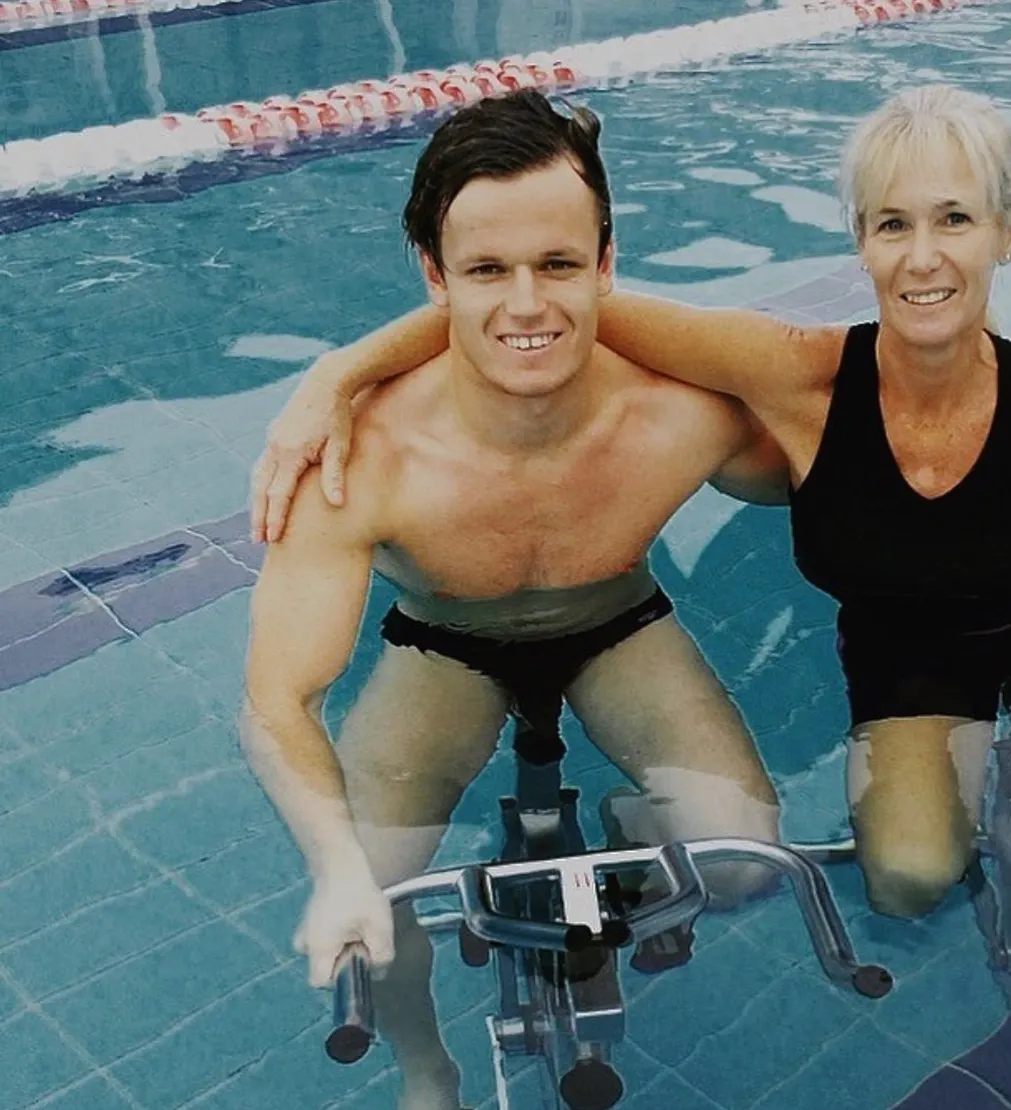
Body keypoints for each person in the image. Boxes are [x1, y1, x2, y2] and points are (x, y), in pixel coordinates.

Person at [255, 84, 1011, 916]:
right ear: (860, 241)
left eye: (953, 219)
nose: (925, 255)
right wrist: (339, 372)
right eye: (893, 224)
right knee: (902, 883)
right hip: (912, 663)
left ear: (1009, 231)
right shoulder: (793, 379)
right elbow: (536, 304)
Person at [238, 91, 791, 1110]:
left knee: (745, 855)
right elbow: (277, 702)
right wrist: (335, 871)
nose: (527, 306)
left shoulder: (683, 414)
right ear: (434, 276)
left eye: (558, 265)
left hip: (619, 622)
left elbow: (841, 460)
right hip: (441, 642)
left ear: (607, 266)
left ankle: (614, 865)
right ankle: (426, 1067)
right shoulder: (360, 460)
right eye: (487, 271)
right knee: (376, 895)